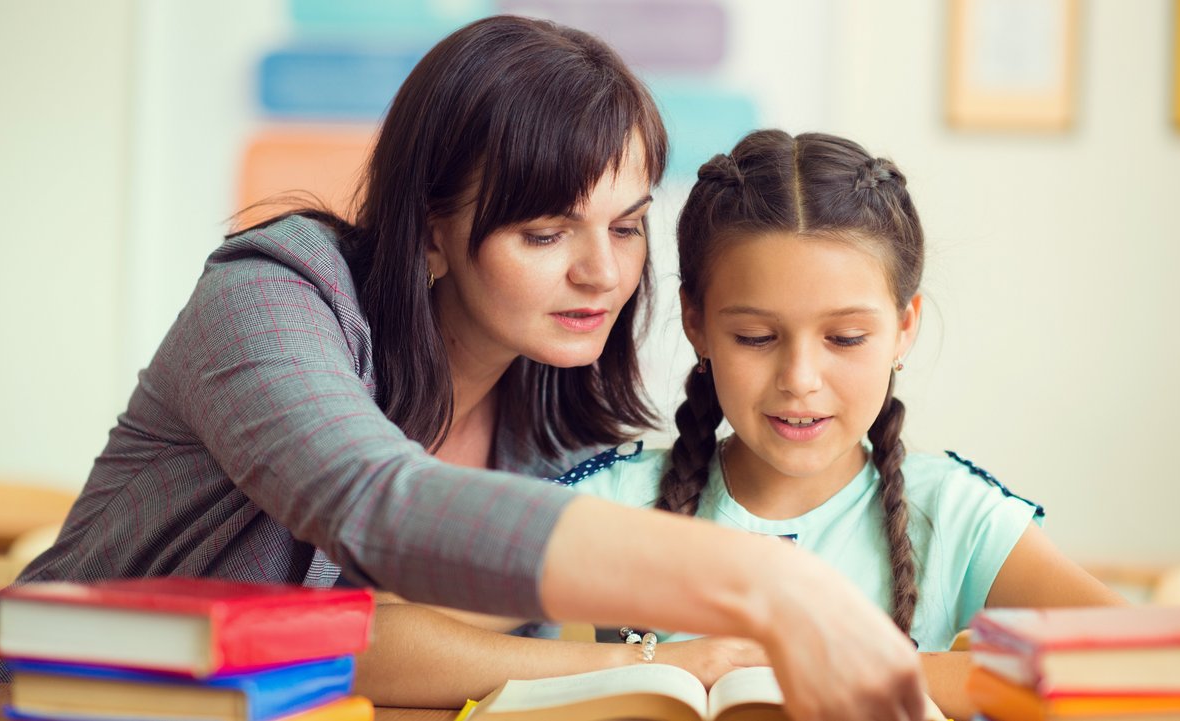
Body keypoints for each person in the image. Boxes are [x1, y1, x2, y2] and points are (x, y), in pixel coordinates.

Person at [0, 18, 928, 721]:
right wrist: (762, 586)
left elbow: (393, 652)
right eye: (546, 231)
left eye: (628, 227)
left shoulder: (553, 419)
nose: (602, 273)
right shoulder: (275, 295)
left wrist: (675, 668)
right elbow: (376, 502)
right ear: (430, 231)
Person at [354, 129, 1124, 717]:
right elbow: (370, 642)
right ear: (695, 320)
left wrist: (852, 669)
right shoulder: (617, 501)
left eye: (846, 338)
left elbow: (1147, 664)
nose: (799, 379)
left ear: (904, 326)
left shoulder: (955, 514)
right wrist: (660, 665)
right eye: (755, 337)